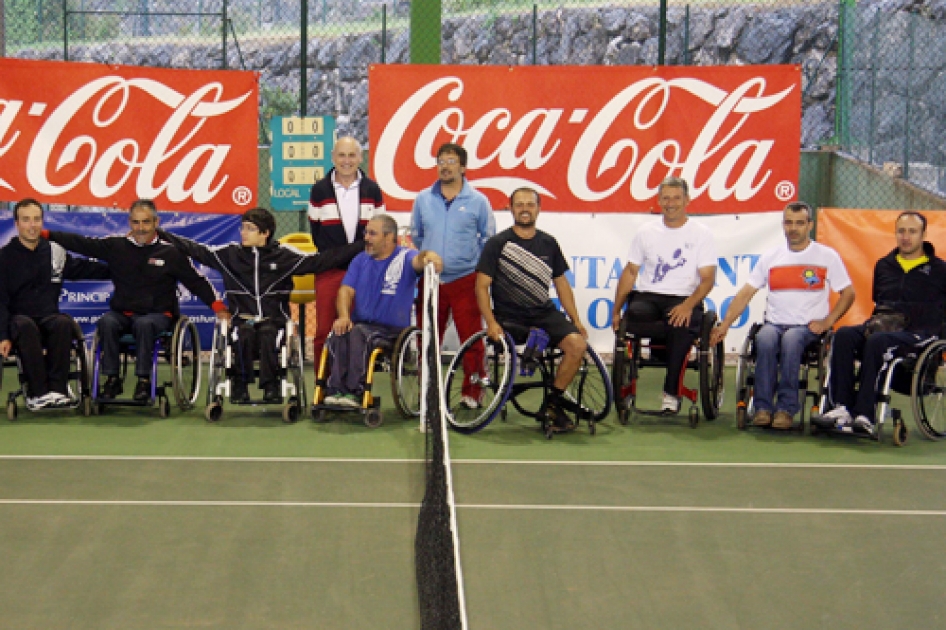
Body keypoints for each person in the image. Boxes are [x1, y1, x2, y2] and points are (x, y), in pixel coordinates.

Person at [159, 207, 362, 404]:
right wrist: (161, 234)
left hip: (274, 320)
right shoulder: (229, 255)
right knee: (243, 333)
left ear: (265, 233)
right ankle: (240, 384)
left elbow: (321, 261)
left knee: (268, 333)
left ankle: (271, 386)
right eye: (243, 227)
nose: (243, 233)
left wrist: (360, 246)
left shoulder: (284, 256)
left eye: (250, 228)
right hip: (242, 320)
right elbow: (197, 250)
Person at [44, 199, 228, 402]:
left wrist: (217, 306)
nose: (141, 228)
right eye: (136, 222)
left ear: (156, 222)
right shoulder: (116, 246)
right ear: (130, 222)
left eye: (146, 222)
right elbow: (83, 244)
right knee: (107, 322)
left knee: (144, 324)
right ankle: (112, 379)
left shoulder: (171, 253)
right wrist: (49, 235)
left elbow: (196, 282)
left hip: (158, 315)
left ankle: (144, 381)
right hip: (123, 313)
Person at [710, 202, 855, 429]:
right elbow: (745, 293)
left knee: (792, 339)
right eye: (789, 223)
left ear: (810, 225)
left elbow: (848, 293)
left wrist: (828, 321)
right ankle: (763, 408)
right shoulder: (771, 257)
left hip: (807, 328)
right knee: (765, 338)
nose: (793, 228)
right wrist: (726, 324)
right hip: (774, 324)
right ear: (783, 225)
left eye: (799, 223)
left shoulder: (827, 256)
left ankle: (786, 409)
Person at [822, 211, 946, 433]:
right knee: (844, 335)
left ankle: (865, 414)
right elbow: (879, 302)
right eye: (901, 231)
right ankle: (841, 407)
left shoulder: (940, 270)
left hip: (920, 333)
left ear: (924, 234)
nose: (905, 237)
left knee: (878, 341)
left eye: (912, 231)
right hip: (885, 326)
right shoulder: (884, 265)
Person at [475, 188, 588, 431]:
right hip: (510, 317)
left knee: (577, 345)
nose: (525, 209)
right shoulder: (497, 244)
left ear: (538, 208)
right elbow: (482, 287)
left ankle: (553, 404)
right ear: (510, 208)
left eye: (530, 204)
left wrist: (575, 319)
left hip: (544, 313)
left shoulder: (549, 242)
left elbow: (561, 283)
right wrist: (491, 322)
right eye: (519, 204)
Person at [611, 177, 717, 414]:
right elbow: (630, 272)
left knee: (680, 322)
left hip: (684, 298)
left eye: (676, 198)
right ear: (658, 201)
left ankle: (671, 392)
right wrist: (616, 311)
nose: (671, 203)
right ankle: (635, 378)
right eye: (666, 198)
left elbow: (708, 279)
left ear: (687, 200)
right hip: (649, 296)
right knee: (636, 314)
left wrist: (689, 305)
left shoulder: (701, 234)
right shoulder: (645, 232)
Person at [0, 198, 110, 410]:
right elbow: (1, 301)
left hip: (48, 316)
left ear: (42, 221)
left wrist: (121, 268)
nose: (32, 225)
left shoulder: (54, 252)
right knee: (25, 325)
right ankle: (37, 393)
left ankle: (58, 391)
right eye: (26, 220)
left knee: (62, 323)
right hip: (19, 321)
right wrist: (3, 336)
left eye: (36, 219)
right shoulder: (4, 258)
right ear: (17, 224)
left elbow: (82, 269)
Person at [323, 214, 442, 406]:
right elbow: (345, 290)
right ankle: (336, 390)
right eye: (366, 233)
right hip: (362, 326)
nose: (366, 238)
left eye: (372, 233)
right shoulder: (360, 260)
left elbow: (421, 259)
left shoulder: (405, 257)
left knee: (358, 334)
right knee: (339, 333)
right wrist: (344, 316)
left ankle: (356, 392)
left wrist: (431, 257)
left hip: (391, 331)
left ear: (388, 237)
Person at [410, 142, 495, 409]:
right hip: (431, 281)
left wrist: (470, 264)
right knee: (427, 336)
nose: (445, 167)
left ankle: (473, 391)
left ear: (463, 167)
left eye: (450, 161)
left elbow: (488, 239)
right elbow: (417, 234)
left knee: (471, 337)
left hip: (466, 281)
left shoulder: (478, 201)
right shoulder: (423, 199)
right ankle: (428, 390)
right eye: (441, 162)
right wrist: (432, 261)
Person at [307, 136, 385, 364]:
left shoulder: (373, 189)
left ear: (360, 158)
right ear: (333, 157)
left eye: (352, 155)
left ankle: (356, 386)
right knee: (324, 331)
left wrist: (361, 257)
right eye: (342, 155)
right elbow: (317, 234)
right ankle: (323, 386)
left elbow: (380, 232)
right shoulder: (319, 190)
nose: (347, 161)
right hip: (329, 270)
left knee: (360, 330)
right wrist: (345, 254)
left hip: (366, 271)